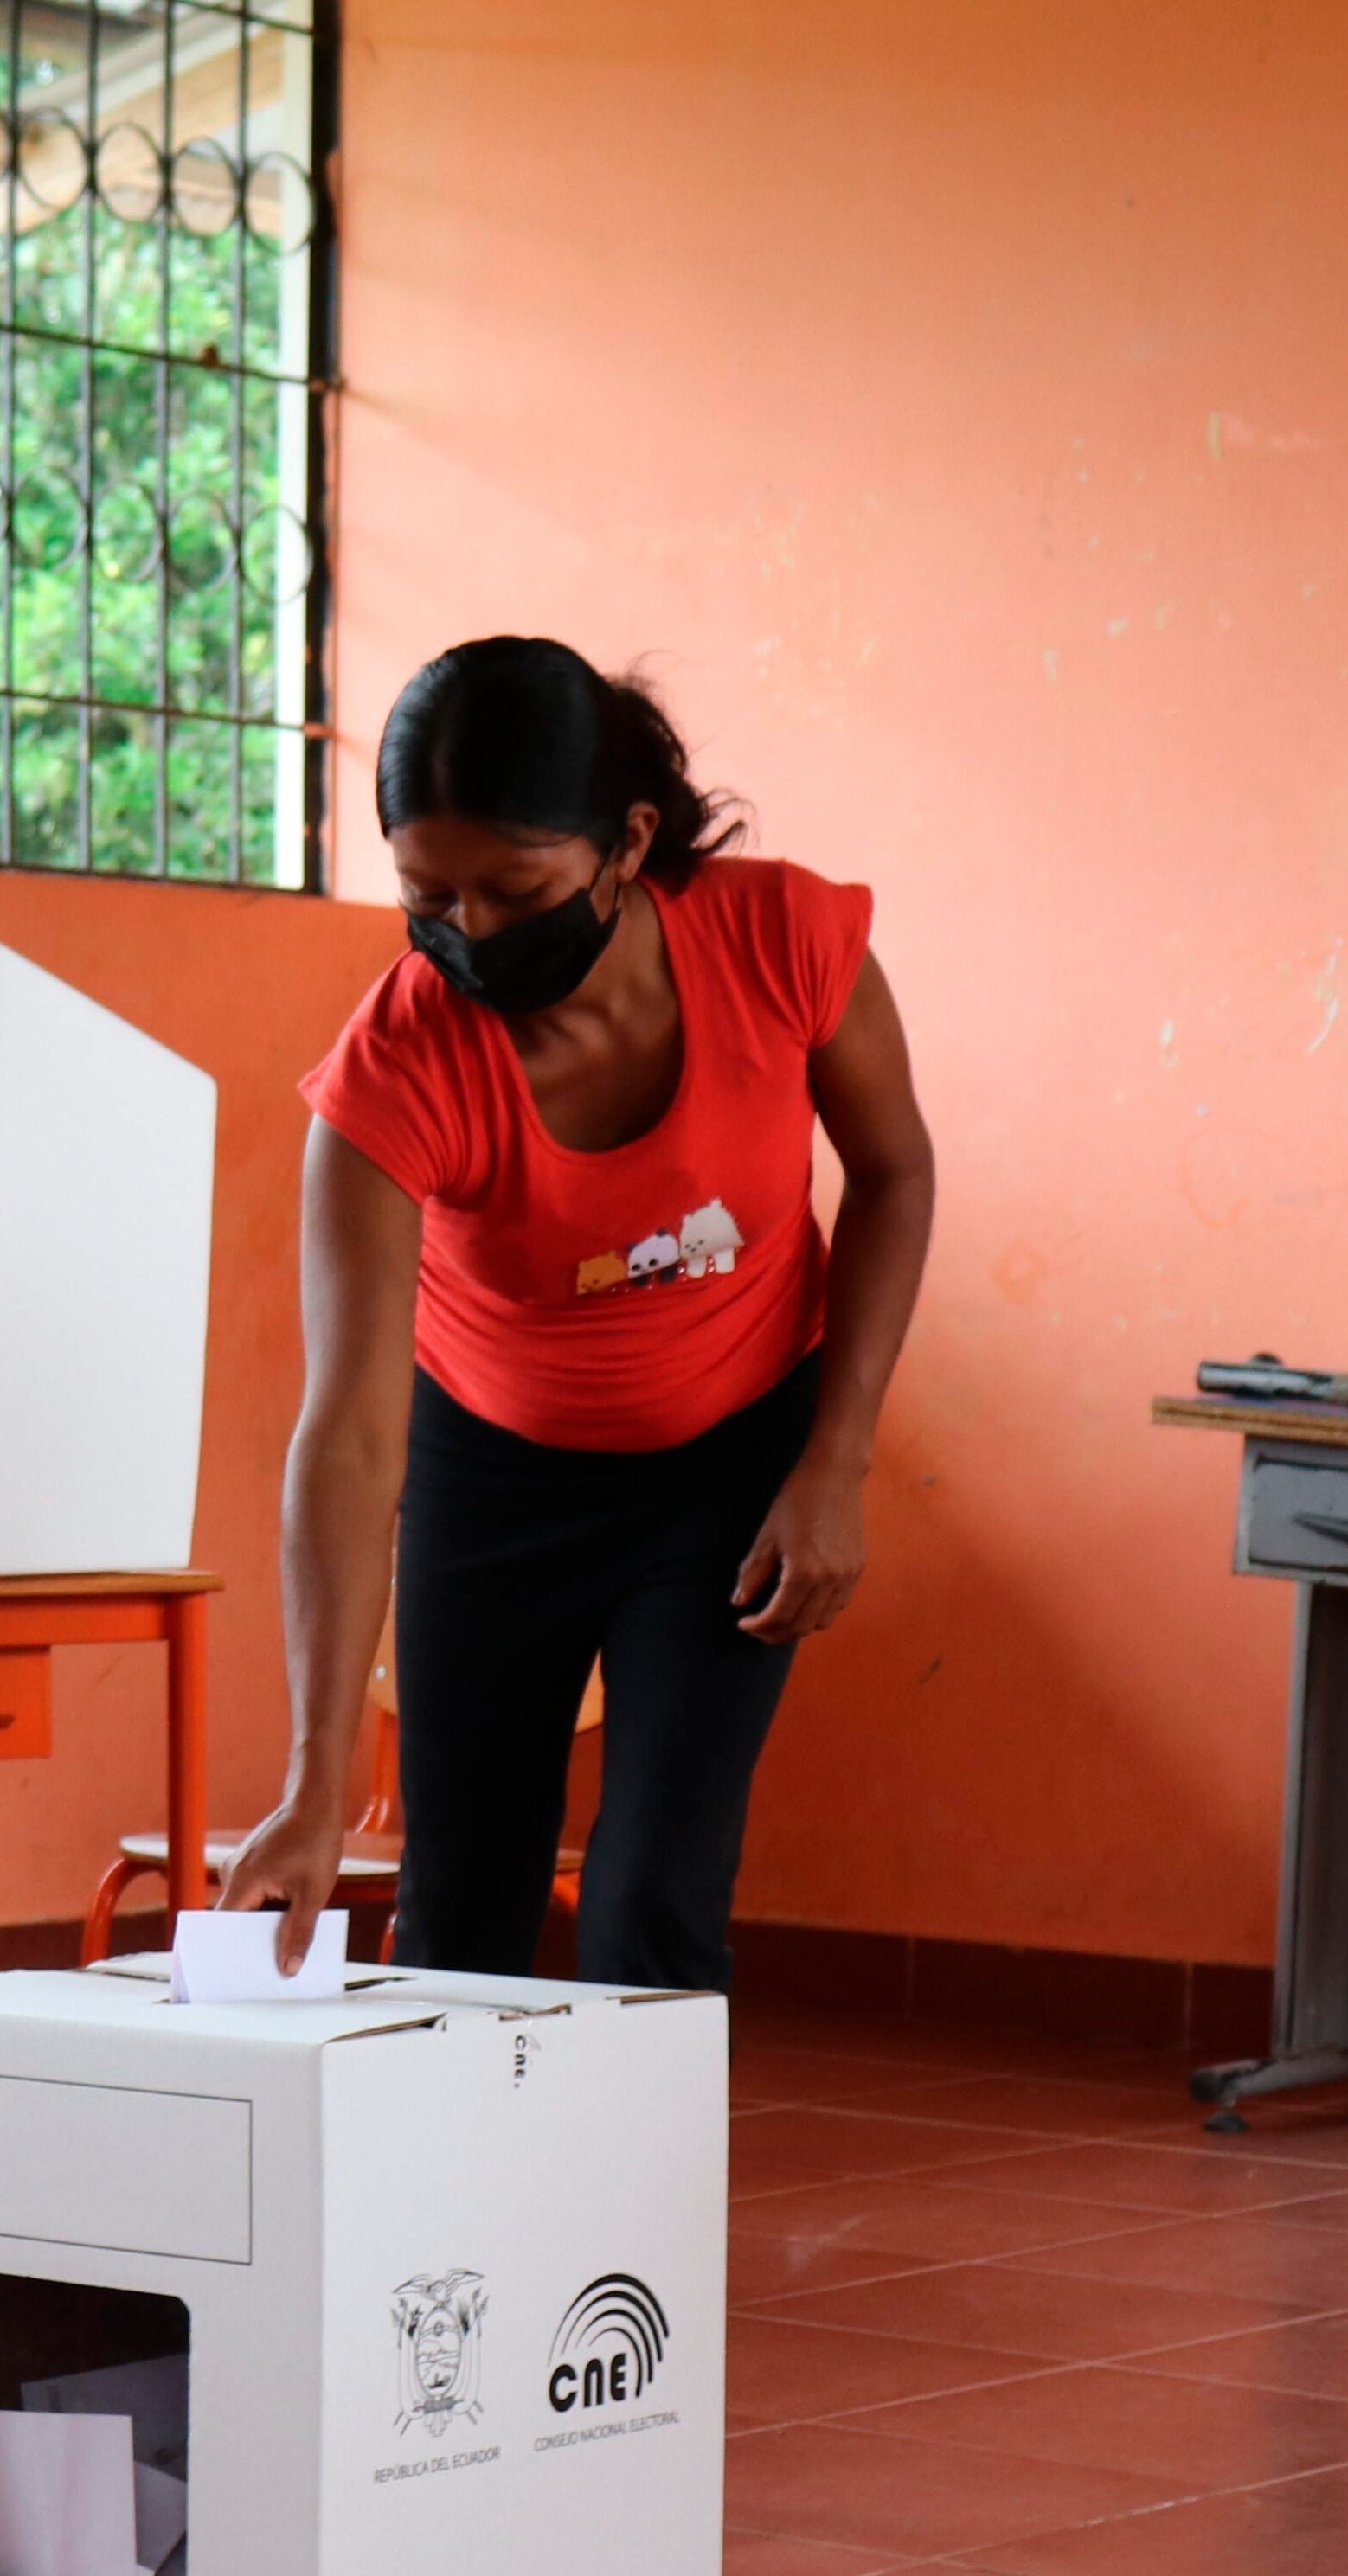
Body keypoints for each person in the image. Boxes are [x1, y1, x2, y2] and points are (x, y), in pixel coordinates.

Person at [217, 638, 936, 1987]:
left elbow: (894, 1174)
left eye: (516, 889)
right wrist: (316, 1781)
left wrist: (835, 1463)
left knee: (652, 1901)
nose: (471, 932)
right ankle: (458, 2202)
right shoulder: (396, 1069)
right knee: (463, 1912)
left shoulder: (778, 940)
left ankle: (633, 2206)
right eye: (428, 896)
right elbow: (353, 1437)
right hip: (491, 1478)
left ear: (628, 843)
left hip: (732, 1464)